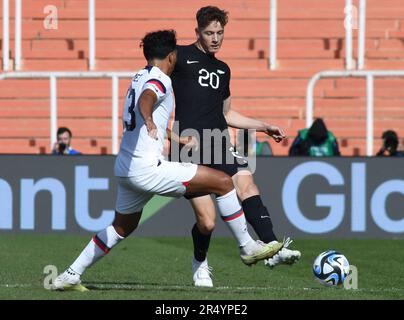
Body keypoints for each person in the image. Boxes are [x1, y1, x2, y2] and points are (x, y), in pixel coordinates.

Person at [51, 30, 283, 292]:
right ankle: (247, 246)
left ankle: (70, 274)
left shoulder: (139, 75)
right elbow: (147, 99)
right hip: (148, 168)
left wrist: (175, 137)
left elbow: (146, 106)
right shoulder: (160, 79)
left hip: (126, 168)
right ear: (171, 56)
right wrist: (148, 117)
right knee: (223, 182)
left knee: (120, 227)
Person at [170, 6, 301, 288]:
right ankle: (200, 263)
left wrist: (263, 125)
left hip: (220, 143)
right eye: (209, 33)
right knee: (207, 222)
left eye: (219, 33)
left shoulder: (223, 69)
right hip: (189, 146)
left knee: (248, 187)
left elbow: (227, 114)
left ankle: (272, 247)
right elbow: (154, 80)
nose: (215, 38)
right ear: (197, 32)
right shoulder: (179, 57)